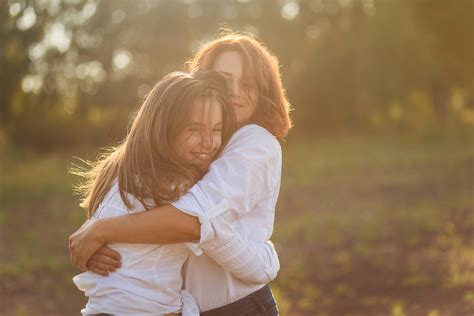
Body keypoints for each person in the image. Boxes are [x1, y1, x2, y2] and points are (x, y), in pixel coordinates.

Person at [69, 31, 292, 315]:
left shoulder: (254, 141)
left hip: (236, 306)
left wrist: (101, 231)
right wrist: (105, 241)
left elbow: (195, 221)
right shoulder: (179, 157)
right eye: (224, 80)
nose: (234, 91)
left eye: (248, 84)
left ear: (263, 92)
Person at [72, 70, 237, 315]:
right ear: (164, 128)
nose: (208, 142)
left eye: (216, 129)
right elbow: (197, 224)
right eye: (193, 129)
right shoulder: (172, 182)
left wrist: (96, 237)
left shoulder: (123, 168)